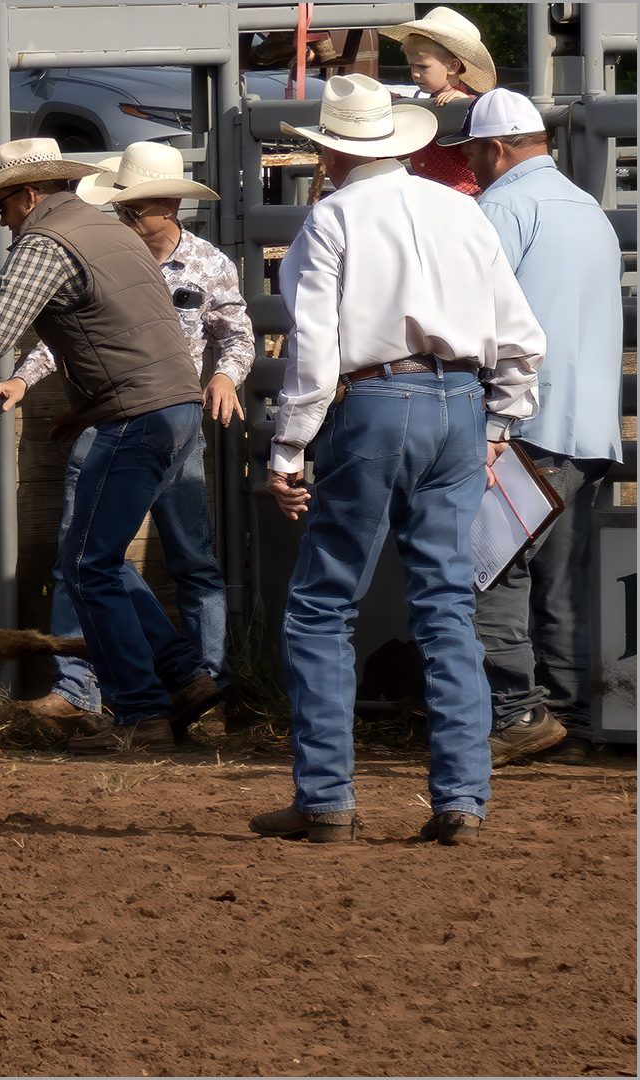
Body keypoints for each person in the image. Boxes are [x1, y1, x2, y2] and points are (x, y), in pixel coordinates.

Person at [252, 75, 545, 845]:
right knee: (445, 602)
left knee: (321, 604)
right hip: (461, 402)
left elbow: (313, 349)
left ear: (330, 152)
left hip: (376, 401)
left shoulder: (330, 218)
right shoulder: (460, 210)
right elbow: (515, 328)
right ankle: (461, 801)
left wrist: (287, 448)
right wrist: (500, 424)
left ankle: (325, 800)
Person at [0, 138, 209, 754]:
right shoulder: (108, 231)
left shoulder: (45, 243)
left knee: (88, 566)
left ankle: (142, 710)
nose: (3, 221)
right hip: (173, 406)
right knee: (98, 558)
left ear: (29, 195)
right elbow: (131, 328)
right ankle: (183, 677)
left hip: (137, 415)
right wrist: (87, 407)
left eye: (3, 206)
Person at [0, 141, 253, 747]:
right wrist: (25, 377)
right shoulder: (108, 248)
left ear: (167, 205)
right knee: (83, 554)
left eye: (137, 209)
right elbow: (65, 334)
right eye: (124, 208)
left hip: (155, 416)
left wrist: (224, 376)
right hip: (128, 415)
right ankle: (96, 685)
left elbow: (237, 334)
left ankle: (195, 684)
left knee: (176, 559)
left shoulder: (207, 265)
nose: (128, 218)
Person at [437, 90, 626, 766]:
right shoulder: (588, 211)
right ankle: (572, 718)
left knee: (489, 567)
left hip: (523, 421)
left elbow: (472, 315)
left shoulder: (501, 208)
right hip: (588, 426)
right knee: (563, 579)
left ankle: (515, 709)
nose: (473, 168)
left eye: (472, 155)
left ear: (492, 149)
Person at [381, 6, 496, 196]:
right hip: (435, 190)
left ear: (453, 67)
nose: (415, 73)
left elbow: (490, 129)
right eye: (412, 66)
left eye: (423, 66)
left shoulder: (469, 104)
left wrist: (469, 104)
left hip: (465, 194)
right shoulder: (427, 102)